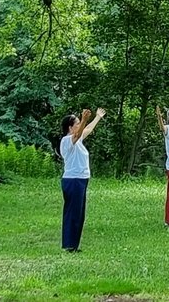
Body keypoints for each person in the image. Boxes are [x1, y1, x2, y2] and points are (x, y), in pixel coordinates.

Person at [59, 107, 105, 252]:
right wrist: (84, 119)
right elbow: (79, 134)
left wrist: (97, 117)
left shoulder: (77, 141)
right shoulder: (67, 141)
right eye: (77, 123)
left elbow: (87, 130)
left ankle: (73, 244)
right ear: (70, 127)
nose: (80, 126)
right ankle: (69, 245)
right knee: (73, 212)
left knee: (79, 213)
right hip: (73, 180)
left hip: (81, 179)